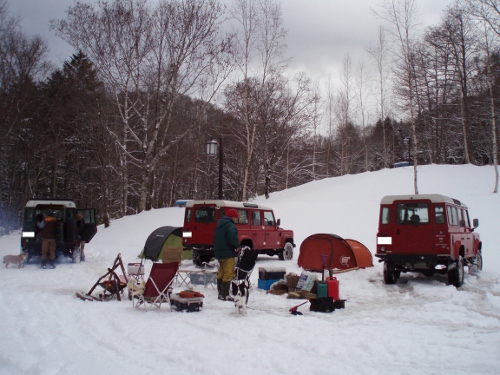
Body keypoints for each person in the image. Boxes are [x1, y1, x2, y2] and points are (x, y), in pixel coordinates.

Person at [214, 208, 240, 301]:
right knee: (228, 273)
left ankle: (220, 293)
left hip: (219, 253)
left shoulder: (219, 224)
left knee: (221, 272)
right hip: (228, 253)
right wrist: (237, 245)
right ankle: (225, 294)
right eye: (236, 218)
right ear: (232, 217)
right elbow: (232, 237)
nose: (236, 220)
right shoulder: (230, 225)